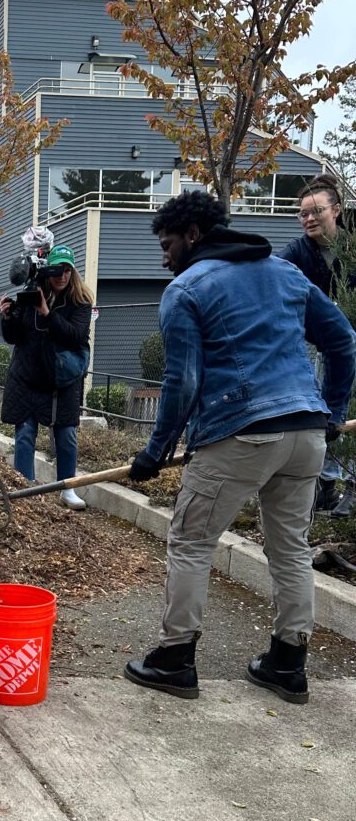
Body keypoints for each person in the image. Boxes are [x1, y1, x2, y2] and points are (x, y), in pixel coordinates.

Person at [124, 190, 355, 705]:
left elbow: (182, 381)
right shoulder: (285, 273)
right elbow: (343, 340)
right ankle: (287, 664)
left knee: (191, 542)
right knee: (290, 548)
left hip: (241, 432)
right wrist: (333, 413)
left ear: (192, 236)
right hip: (306, 434)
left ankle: (174, 658)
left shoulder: (186, 290)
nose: (164, 258)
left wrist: (154, 451)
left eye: (167, 245)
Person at [279, 173, 356, 516]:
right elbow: (274, 275)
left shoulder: (352, 246)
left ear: (336, 210)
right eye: (303, 214)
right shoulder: (297, 253)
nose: (308, 219)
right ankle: (326, 485)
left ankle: (352, 487)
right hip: (327, 345)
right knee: (326, 411)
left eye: (316, 211)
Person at [0, 244, 93, 510]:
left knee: (66, 436)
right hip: (27, 376)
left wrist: (47, 313)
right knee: (25, 433)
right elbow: (15, 337)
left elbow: (75, 336)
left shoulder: (81, 303)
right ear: (46, 270)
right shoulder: (32, 295)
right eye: (55, 270)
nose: (61, 276)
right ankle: (25, 487)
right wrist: (8, 317)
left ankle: (67, 488)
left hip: (61, 379)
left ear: (73, 272)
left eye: (66, 270)